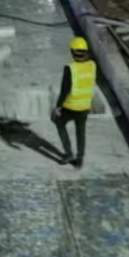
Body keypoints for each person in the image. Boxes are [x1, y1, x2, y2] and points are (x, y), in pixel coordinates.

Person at [51, 37, 97, 169]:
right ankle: (80, 159)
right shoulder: (92, 66)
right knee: (80, 132)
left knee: (58, 122)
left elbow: (65, 90)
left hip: (71, 106)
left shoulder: (70, 68)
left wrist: (57, 107)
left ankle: (68, 153)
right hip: (85, 106)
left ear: (72, 52)